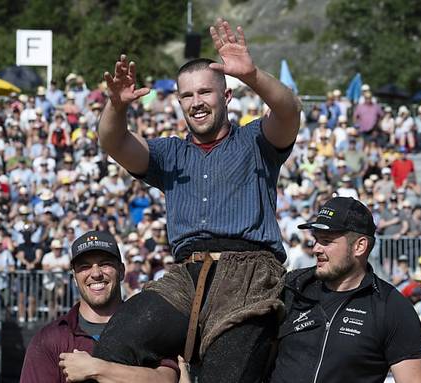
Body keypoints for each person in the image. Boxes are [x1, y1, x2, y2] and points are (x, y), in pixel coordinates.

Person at [93, 17, 301, 382]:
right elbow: (114, 142)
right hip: (187, 276)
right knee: (115, 343)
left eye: (205, 92)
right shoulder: (169, 153)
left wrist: (252, 75)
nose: (196, 102)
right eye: (187, 95)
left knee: (225, 374)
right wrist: (116, 106)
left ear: (227, 96)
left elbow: (288, 111)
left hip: (248, 273)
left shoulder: (255, 141)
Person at [267, 197, 421, 382]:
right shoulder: (291, 287)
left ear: (359, 246)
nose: (316, 249)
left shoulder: (392, 307)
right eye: (316, 239)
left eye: (326, 241)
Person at [21, 230, 177, 383]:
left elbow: (168, 379)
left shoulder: (148, 328)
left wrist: (96, 369)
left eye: (105, 264)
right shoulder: (49, 339)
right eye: (85, 266)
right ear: (75, 277)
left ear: (121, 271)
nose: (96, 273)